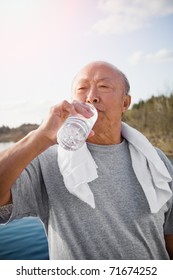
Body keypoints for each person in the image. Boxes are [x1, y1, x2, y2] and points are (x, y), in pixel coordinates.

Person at [0, 61, 173, 260]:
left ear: (125, 103)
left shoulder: (155, 160)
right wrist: (40, 137)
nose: (91, 97)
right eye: (82, 89)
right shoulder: (49, 161)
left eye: (104, 86)